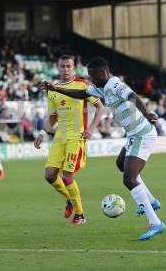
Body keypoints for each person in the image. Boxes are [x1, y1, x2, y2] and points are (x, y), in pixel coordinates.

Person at [39, 57, 165, 240]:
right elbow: (81, 94)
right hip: (133, 135)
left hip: (142, 134)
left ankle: (155, 223)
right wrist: (56, 88)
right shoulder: (99, 87)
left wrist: (146, 114)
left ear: (103, 73)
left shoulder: (114, 85)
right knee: (121, 164)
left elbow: (133, 97)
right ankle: (151, 201)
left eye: (92, 75)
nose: (90, 79)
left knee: (129, 179)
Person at [34, 55, 104, 226]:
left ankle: (80, 215)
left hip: (76, 136)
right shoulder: (53, 88)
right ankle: (70, 199)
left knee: (67, 175)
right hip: (59, 137)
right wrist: (43, 133)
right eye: (63, 66)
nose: (65, 69)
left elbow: (100, 107)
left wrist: (91, 129)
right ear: (58, 68)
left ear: (74, 68)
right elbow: (52, 116)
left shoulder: (83, 85)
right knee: (49, 175)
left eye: (69, 66)